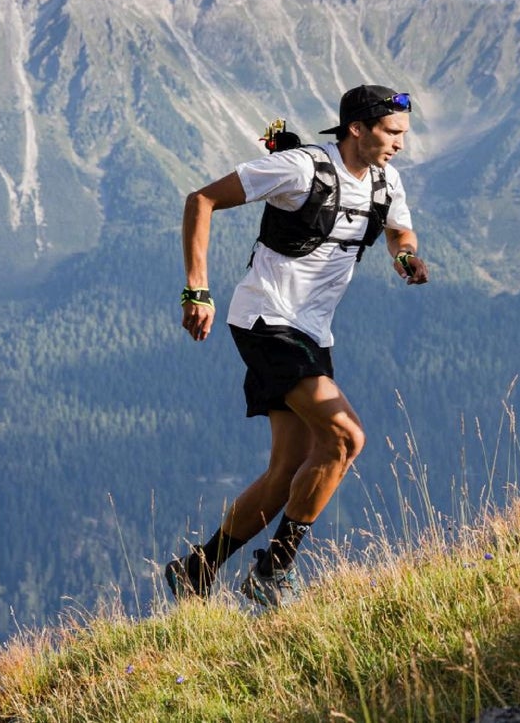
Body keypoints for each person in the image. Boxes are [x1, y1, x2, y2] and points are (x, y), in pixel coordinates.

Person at [163, 84, 430, 607]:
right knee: (346, 439)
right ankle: (274, 570)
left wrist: (405, 259)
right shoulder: (302, 168)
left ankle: (198, 567)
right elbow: (202, 200)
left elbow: (400, 234)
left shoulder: (386, 182)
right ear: (358, 128)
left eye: (404, 135)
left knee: (287, 470)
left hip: (313, 332)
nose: (401, 144)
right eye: (392, 133)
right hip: (267, 320)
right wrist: (197, 289)